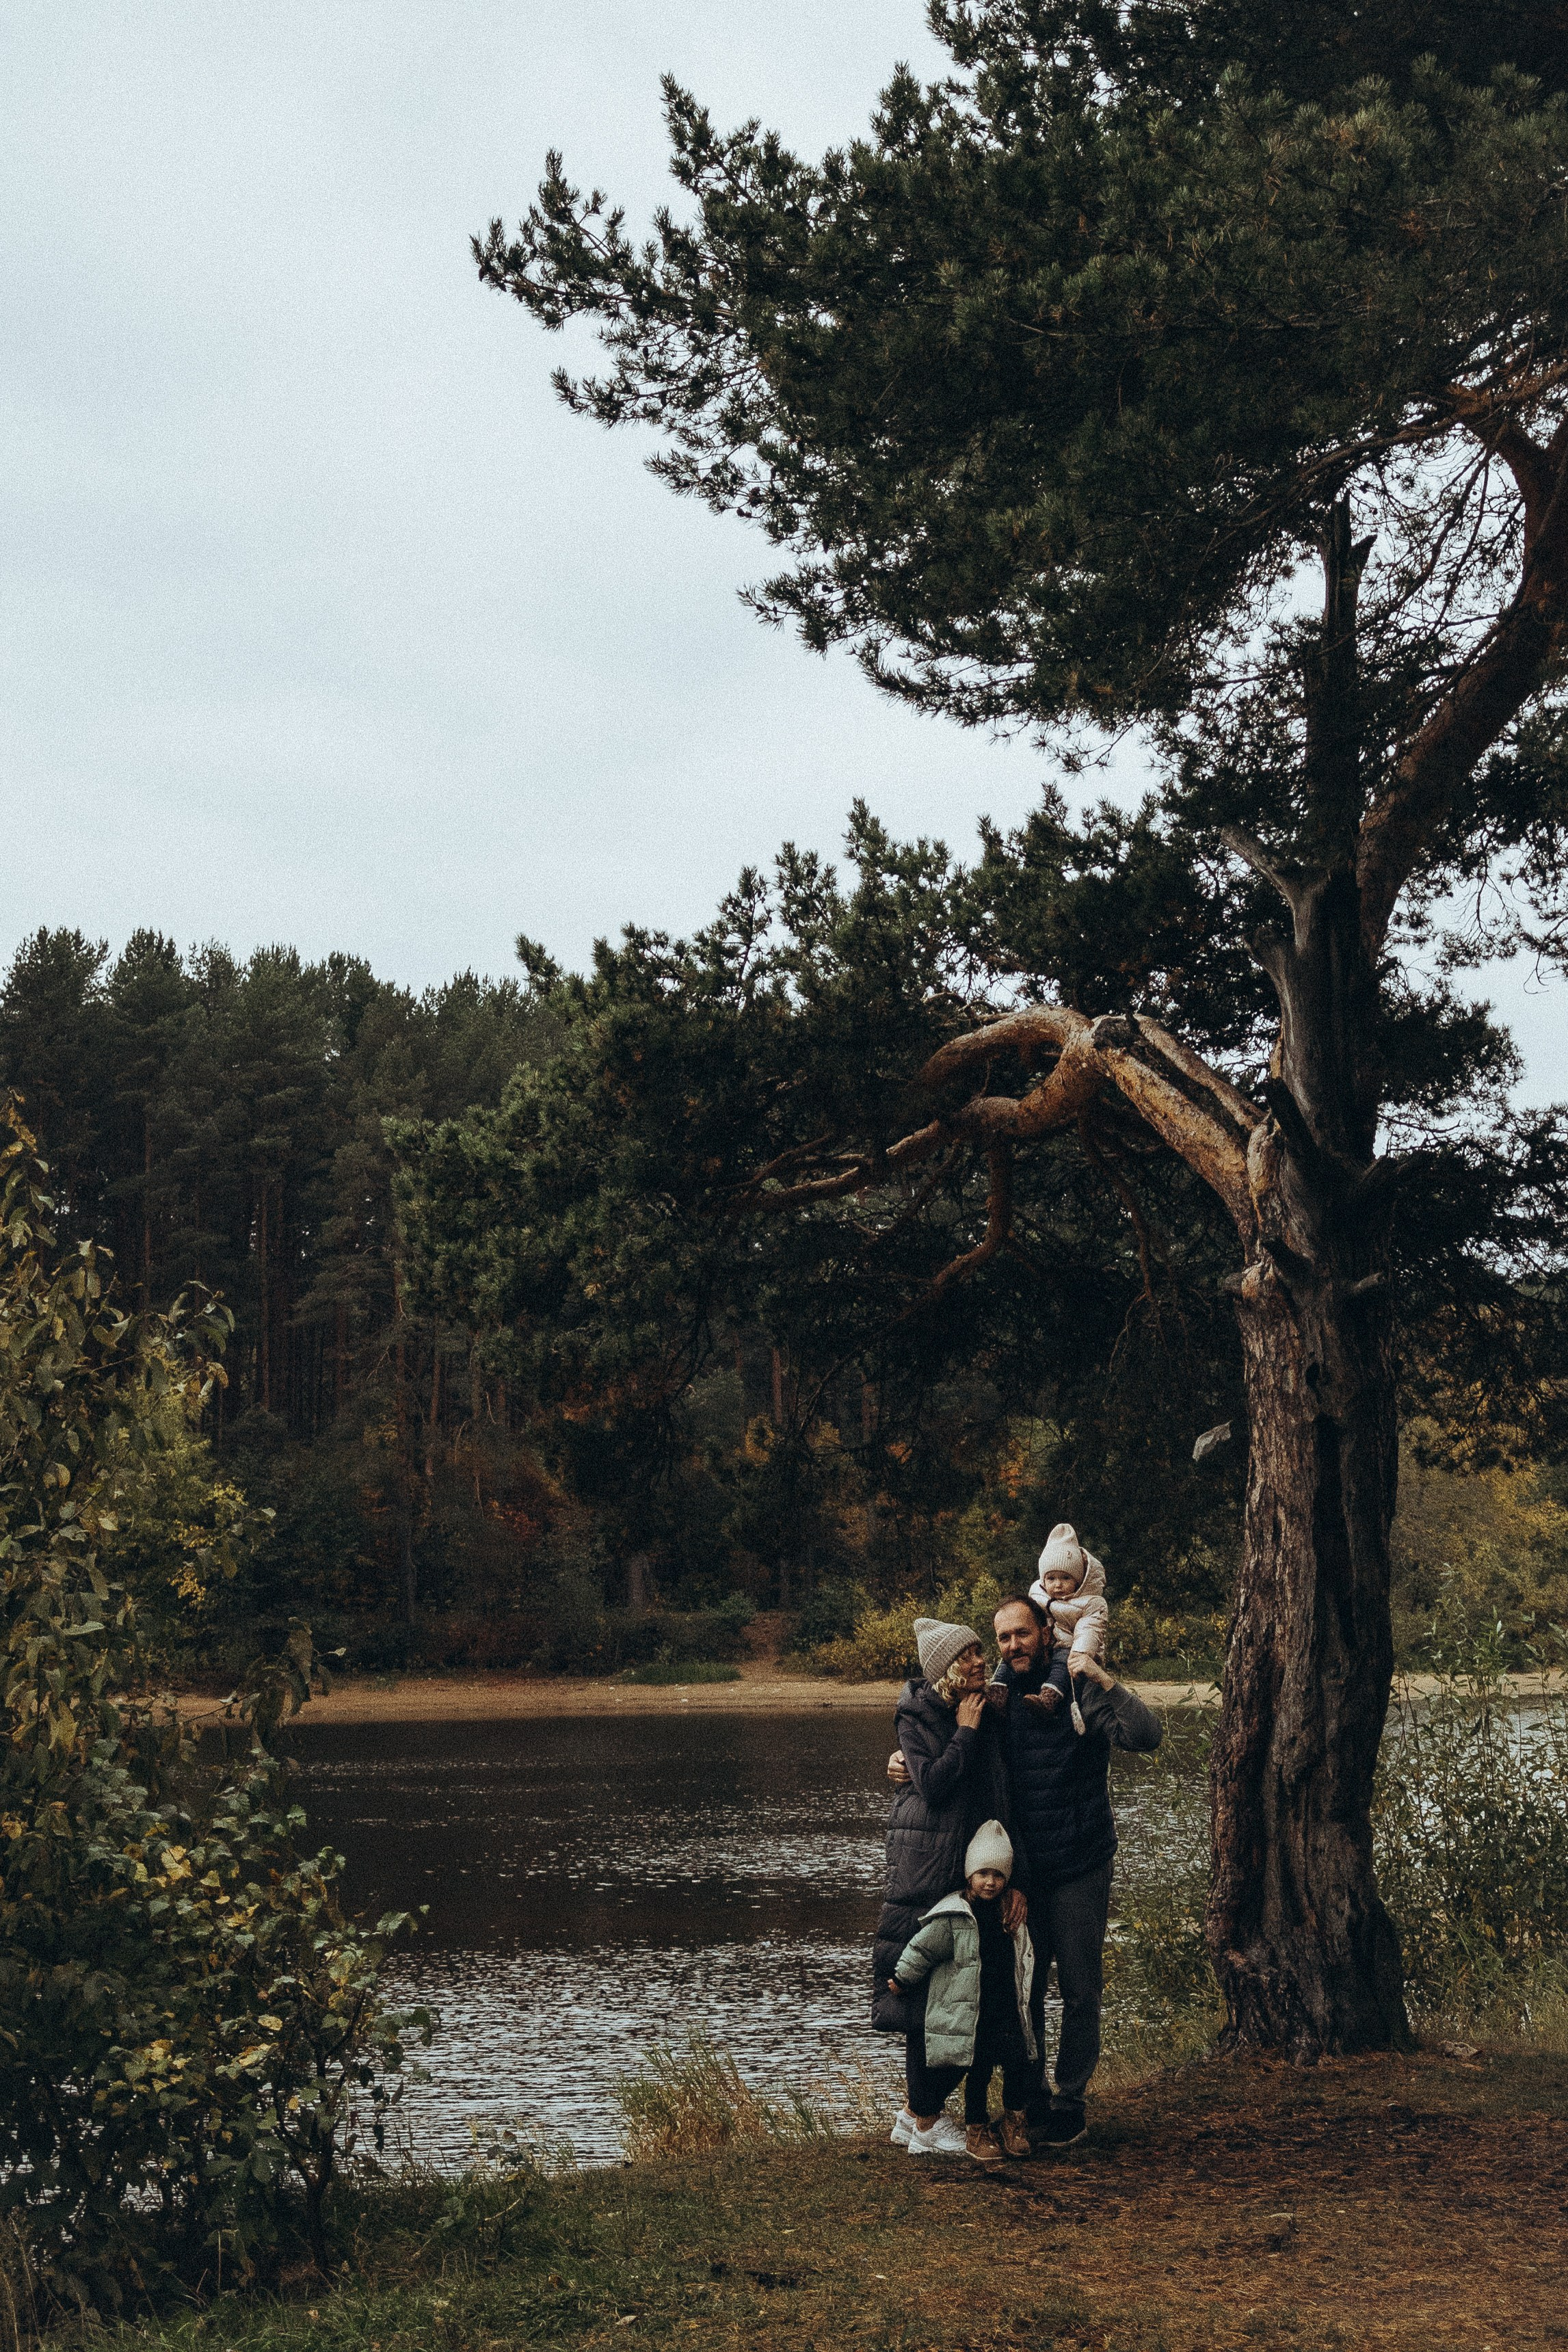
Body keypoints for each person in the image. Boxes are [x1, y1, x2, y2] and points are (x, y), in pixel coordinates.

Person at [872, 1615, 1026, 2158]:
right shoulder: (921, 1713)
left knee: (967, 1991)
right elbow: (935, 1786)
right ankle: (928, 2122)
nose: (980, 1660)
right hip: (927, 1865)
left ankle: (914, 2114)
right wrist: (964, 1729)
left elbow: (999, 1791)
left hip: (966, 1865)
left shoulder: (989, 1704)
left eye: (980, 1651)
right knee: (929, 1993)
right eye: (967, 1655)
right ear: (944, 1669)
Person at [889, 1819, 1037, 2167]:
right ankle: (976, 2127)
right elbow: (922, 1949)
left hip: (1007, 2008)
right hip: (974, 2012)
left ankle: (1014, 2122)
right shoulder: (956, 1915)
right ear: (970, 1874)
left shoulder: (1009, 1914)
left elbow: (1024, 1955)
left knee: (1019, 2062)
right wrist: (902, 1977)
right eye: (983, 1873)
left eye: (999, 1875)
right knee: (979, 2069)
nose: (990, 1882)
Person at [1028, 1522, 1110, 1734]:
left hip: (1073, 1649)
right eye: (1051, 1578)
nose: (1058, 1585)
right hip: (1048, 1645)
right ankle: (998, 1688)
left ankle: (1050, 1697)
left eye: (1066, 1578)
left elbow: (1089, 1628)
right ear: (1043, 1579)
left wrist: (1080, 1654)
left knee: (1063, 1660)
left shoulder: (1090, 1602)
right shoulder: (1037, 1596)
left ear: (1079, 1580)